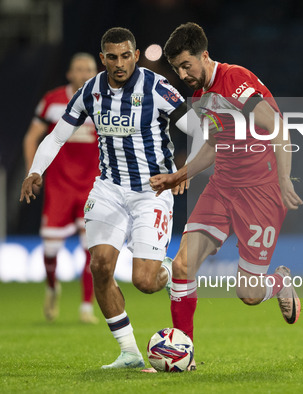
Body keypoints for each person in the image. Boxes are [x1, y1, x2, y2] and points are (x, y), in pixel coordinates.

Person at [20, 27, 204, 369]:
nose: (119, 64)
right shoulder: (90, 91)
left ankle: (167, 272)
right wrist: (35, 171)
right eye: (112, 57)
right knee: (101, 266)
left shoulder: (157, 88)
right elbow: (57, 136)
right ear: (102, 58)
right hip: (108, 189)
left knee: (144, 282)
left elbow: (199, 130)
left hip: (152, 191)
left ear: (135, 55)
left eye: (125, 56)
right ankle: (130, 353)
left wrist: (184, 172)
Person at [150, 22, 303, 370]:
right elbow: (213, 147)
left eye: (187, 65)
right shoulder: (200, 96)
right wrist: (179, 174)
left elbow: (277, 125)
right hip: (222, 187)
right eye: (176, 68)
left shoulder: (233, 81)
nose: (182, 73)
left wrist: (283, 179)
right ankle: (182, 355)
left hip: (260, 193)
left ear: (205, 55)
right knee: (182, 265)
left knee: (248, 294)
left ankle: (280, 282)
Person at [23, 53, 99, 324]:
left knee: (91, 248)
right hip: (59, 186)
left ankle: (86, 307)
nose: (83, 73)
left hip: (93, 187)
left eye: (89, 69)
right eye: (78, 69)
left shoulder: (106, 100)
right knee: (51, 248)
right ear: (69, 74)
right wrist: (33, 172)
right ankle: (52, 287)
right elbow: (31, 137)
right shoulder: (53, 101)